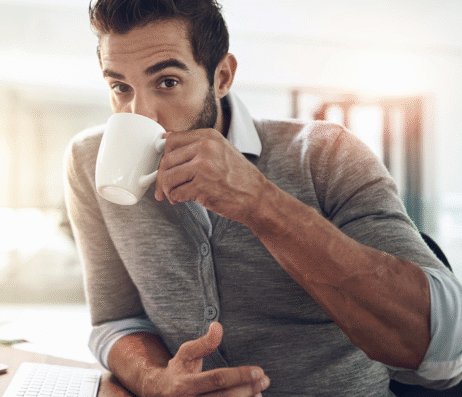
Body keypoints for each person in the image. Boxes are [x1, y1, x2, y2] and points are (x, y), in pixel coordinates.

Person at [63, 0, 462, 395]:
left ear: (221, 76)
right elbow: (116, 321)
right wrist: (156, 382)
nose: (141, 113)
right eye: (120, 87)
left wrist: (259, 202)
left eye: (167, 82)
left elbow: (444, 352)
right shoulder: (89, 161)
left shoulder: (327, 155)